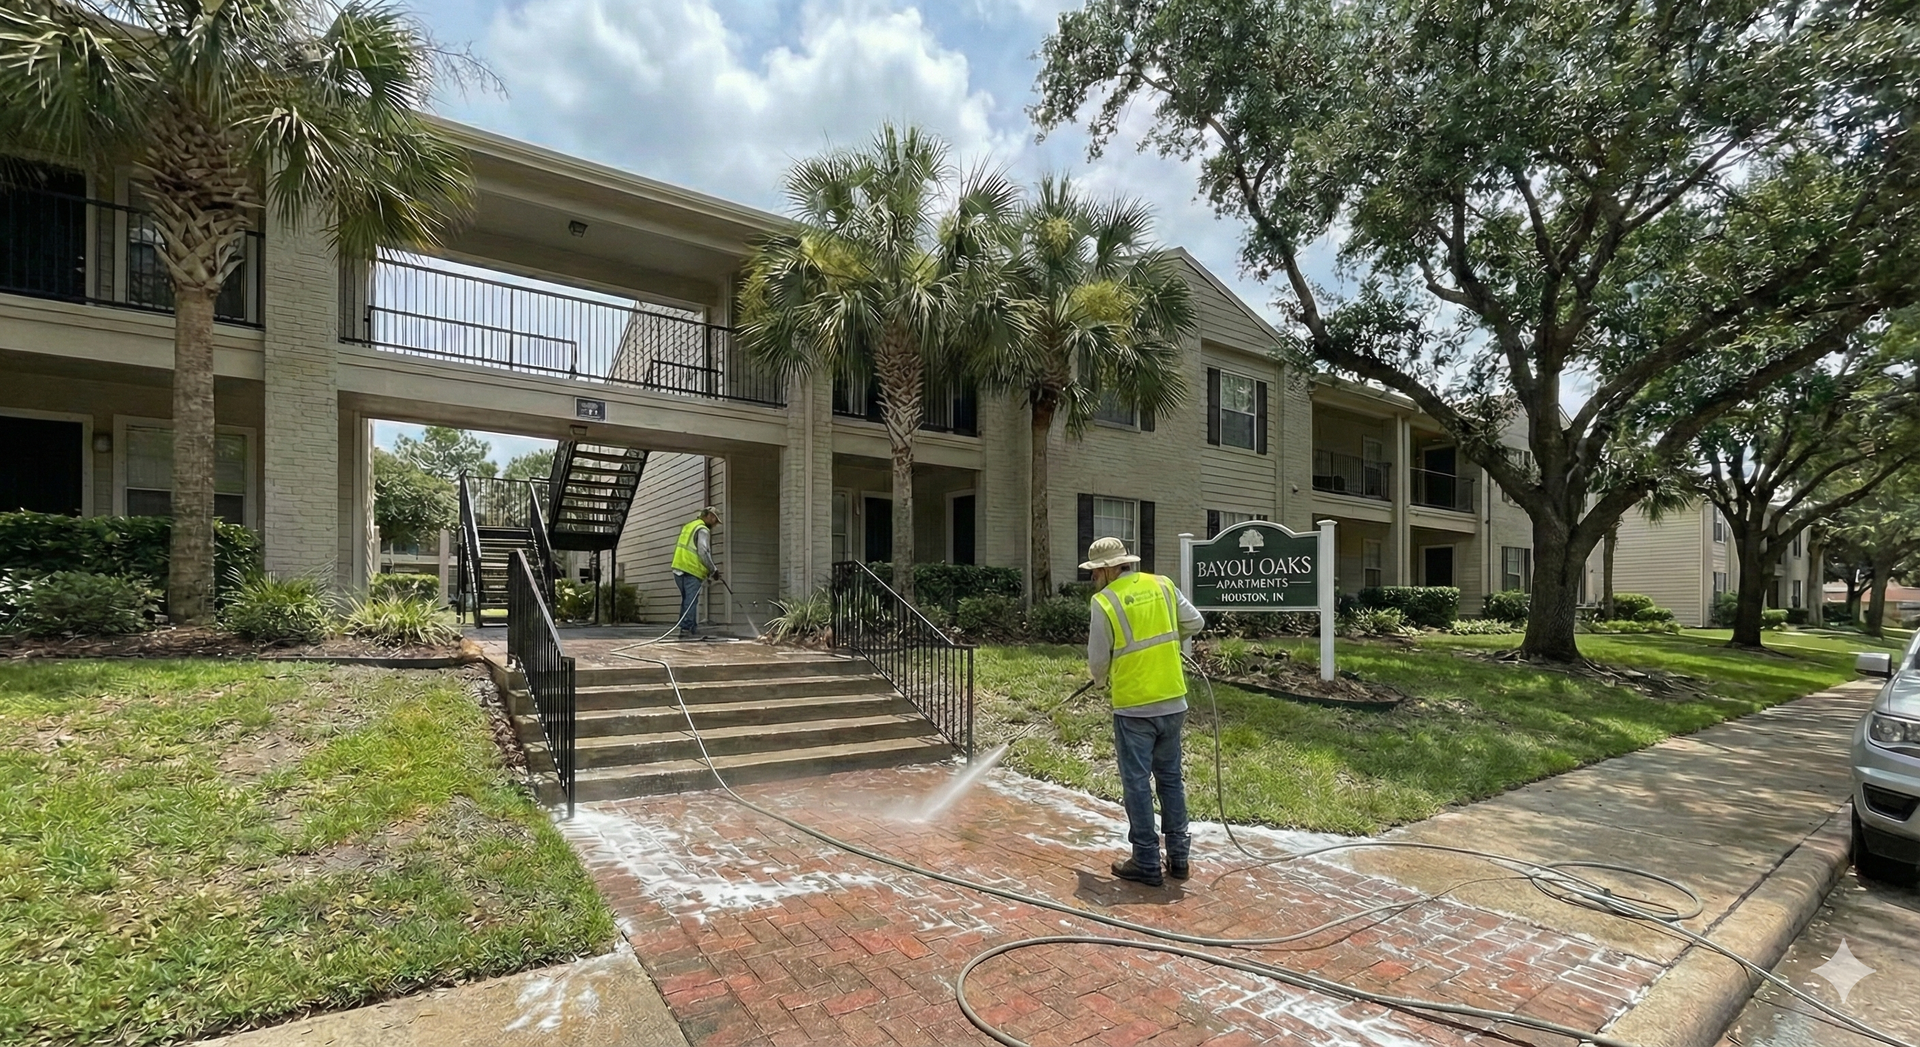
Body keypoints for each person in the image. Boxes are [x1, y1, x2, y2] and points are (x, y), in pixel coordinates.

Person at [1082, 535, 1205, 887]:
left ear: (1107, 570)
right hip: (1173, 699)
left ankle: (1147, 861)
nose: (1093, 579)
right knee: (1170, 779)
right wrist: (1167, 642)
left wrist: (1101, 681)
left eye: (1094, 572)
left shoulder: (1104, 601)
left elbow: (1098, 659)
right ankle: (1179, 858)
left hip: (1134, 706)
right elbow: (1195, 623)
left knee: (1137, 783)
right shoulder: (1162, 584)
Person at [670, 507, 721, 640]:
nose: (715, 524)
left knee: (687, 600)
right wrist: (713, 570)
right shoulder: (703, 529)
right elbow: (703, 552)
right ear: (709, 516)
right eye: (715, 519)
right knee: (691, 601)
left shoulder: (689, 526)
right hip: (691, 570)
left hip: (678, 568)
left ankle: (691, 628)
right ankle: (686, 629)